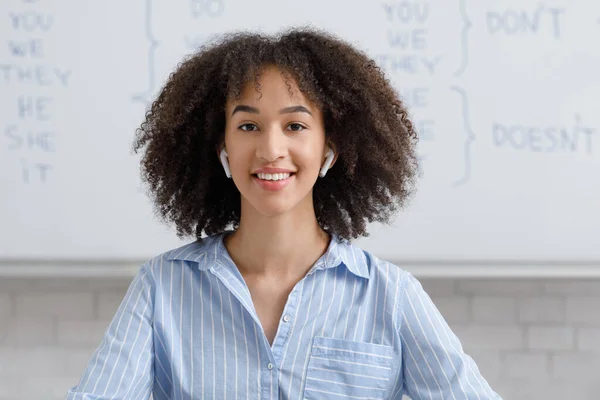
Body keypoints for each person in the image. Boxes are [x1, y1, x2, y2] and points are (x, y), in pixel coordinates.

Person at [66, 27, 502, 399]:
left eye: (295, 125)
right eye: (248, 126)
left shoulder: (390, 296)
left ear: (330, 149)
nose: (271, 150)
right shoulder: (162, 288)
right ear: (221, 148)